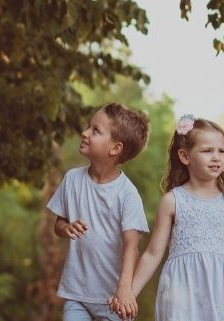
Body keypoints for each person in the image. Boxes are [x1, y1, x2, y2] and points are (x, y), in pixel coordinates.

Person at [120, 115, 224, 321]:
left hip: (217, 293)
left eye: (221, 151)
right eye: (207, 151)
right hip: (179, 291)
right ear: (185, 156)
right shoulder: (172, 201)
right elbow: (153, 254)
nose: (216, 157)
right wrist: (129, 294)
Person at [46, 102, 153, 321]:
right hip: (76, 294)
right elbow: (58, 224)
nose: (85, 133)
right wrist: (66, 228)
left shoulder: (127, 194)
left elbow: (131, 248)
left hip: (113, 300)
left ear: (115, 148)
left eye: (95, 130)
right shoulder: (72, 180)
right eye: (89, 127)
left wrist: (125, 290)